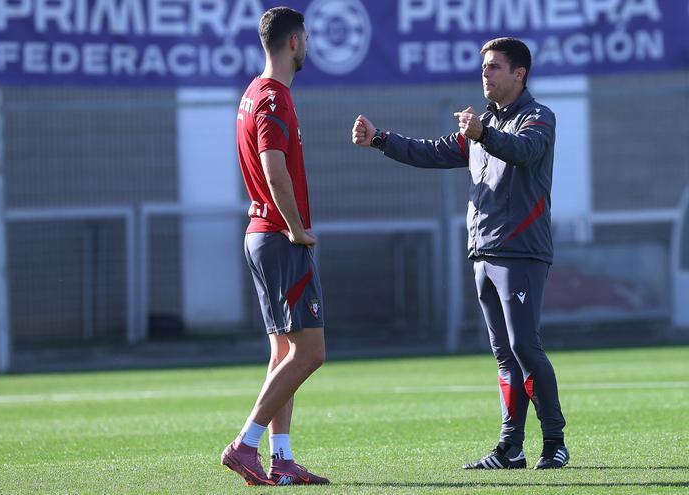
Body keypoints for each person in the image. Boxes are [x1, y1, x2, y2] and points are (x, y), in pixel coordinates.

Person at [352, 37, 569, 470]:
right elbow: (430, 152)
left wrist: (483, 133)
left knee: (525, 346)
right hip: (483, 253)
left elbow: (524, 152)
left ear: (519, 73)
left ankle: (555, 442)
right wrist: (380, 139)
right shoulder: (483, 123)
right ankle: (511, 448)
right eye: (483, 67)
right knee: (504, 354)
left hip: (522, 252)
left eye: (494, 67)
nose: (484, 74)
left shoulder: (538, 118)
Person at [220, 6, 329, 486]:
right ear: (293, 42)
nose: (308, 46)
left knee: (283, 351)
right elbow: (273, 168)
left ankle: (281, 459)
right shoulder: (273, 99)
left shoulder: (252, 93)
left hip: (261, 236)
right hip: (278, 237)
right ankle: (245, 445)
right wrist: (297, 227)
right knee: (310, 353)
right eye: (305, 38)